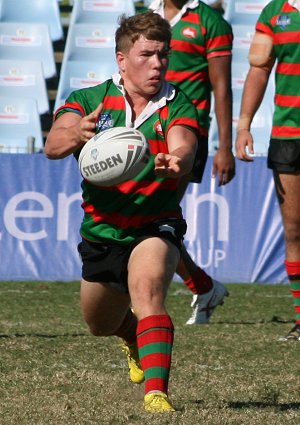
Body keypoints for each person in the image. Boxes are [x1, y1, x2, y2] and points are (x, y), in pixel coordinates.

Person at [45, 11, 200, 413]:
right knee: (99, 323)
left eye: (163, 55)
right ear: (121, 58)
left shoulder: (176, 101)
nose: (157, 64)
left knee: (148, 291)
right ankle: (132, 336)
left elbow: (184, 144)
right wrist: (76, 133)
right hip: (102, 229)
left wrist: (178, 161)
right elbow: (54, 144)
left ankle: (157, 393)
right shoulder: (89, 100)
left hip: (154, 222)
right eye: (147, 55)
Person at [146, 0, 235, 324]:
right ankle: (203, 285)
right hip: (142, 129)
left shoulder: (211, 22)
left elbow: (221, 87)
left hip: (185, 134)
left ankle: (148, 296)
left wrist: (224, 146)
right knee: (144, 218)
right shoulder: (147, 16)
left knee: (153, 218)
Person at [235, 0, 300, 341]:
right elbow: (259, 68)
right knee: (294, 231)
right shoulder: (275, 12)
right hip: (289, 136)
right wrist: (243, 124)